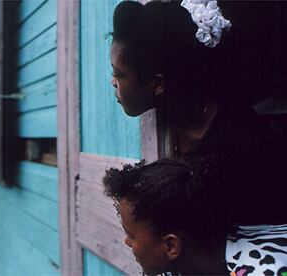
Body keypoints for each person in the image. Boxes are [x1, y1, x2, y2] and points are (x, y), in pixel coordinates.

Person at [109, 0, 286, 226]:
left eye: (119, 74)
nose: (113, 82)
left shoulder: (240, 148)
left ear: (158, 83)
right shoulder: (182, 124)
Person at [103, 159, 287, 275]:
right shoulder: (172, 267)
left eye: (131, 235)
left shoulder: (265, 268)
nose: (126, 241)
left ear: (170, 246)